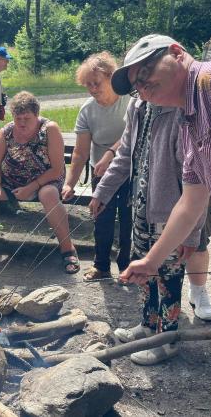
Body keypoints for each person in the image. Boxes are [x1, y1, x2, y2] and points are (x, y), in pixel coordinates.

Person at [112, 34, 211, 417]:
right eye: (135, 83)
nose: (142, 86)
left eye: (146, 71)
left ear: (177, 54)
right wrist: (151, 261)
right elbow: (191, 202)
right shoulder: (189, 125)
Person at [90, 96, 207, 365]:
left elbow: (200, 180)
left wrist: (192, 232)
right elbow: (124, 154)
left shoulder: (181, 112)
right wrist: (103, 191)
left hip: (173, 215)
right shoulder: (137, 106)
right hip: (141, 206)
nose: (139, 89)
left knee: (169, 276)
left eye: (144, 80)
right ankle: (147, 325)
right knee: (144, 268)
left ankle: (167, 339)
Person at [0, 91, 80, 274]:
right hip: (12, 182)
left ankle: (68, 248)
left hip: (46, 180)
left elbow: (57, 169)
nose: (21, 123)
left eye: (26, 118)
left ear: (36, 115)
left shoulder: (49, 129)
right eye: (17, 118)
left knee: (48, 194)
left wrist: (32, 186)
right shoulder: (6, 133)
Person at [62, 52, 132, 281]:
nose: (92, 88)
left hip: (132, 168)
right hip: (100, 171)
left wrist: (111, 155)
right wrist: (69, 183)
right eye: (88, 85)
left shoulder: (130, 100)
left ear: (111, 77)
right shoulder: (87, 110)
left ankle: (127, 267)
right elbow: (81, 152)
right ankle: (101, 265)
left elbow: (132, 135)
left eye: (97, 83)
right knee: (101, 217)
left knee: (129, 218)